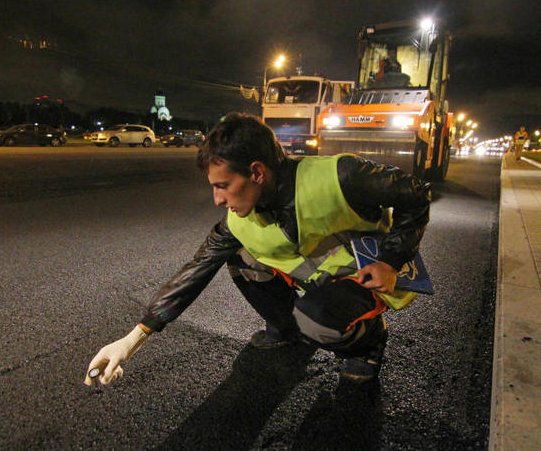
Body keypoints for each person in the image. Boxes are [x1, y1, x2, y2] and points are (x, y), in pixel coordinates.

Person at [84, 113, 431, 386]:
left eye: (223, 186)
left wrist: (390, 260)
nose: (217, 199)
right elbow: (196, 270)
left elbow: (415, 194)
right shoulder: (236, 222)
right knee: (239, 256)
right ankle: (286, 329)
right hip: (314, 274)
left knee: (316, 321)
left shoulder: (341, 175)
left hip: (361, 273)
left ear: (257, 172)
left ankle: (369, 345)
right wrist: (131, 340)